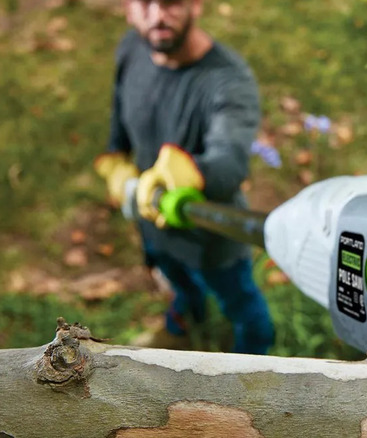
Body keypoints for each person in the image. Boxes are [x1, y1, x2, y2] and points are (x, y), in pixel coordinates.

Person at [93, 0, 275, 354]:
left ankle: (254, 372)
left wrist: (185, 171)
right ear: (128, 9)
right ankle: (182, 325)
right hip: (152, 222)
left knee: (244, 308)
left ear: (196, 4)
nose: (158, 15)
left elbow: (230, 165)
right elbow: (121, 117)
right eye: (145, 3)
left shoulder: (228, 81)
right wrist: (115, 161)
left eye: (171, 2)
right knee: (179, 286)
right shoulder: (132, 48)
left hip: (210, 238)